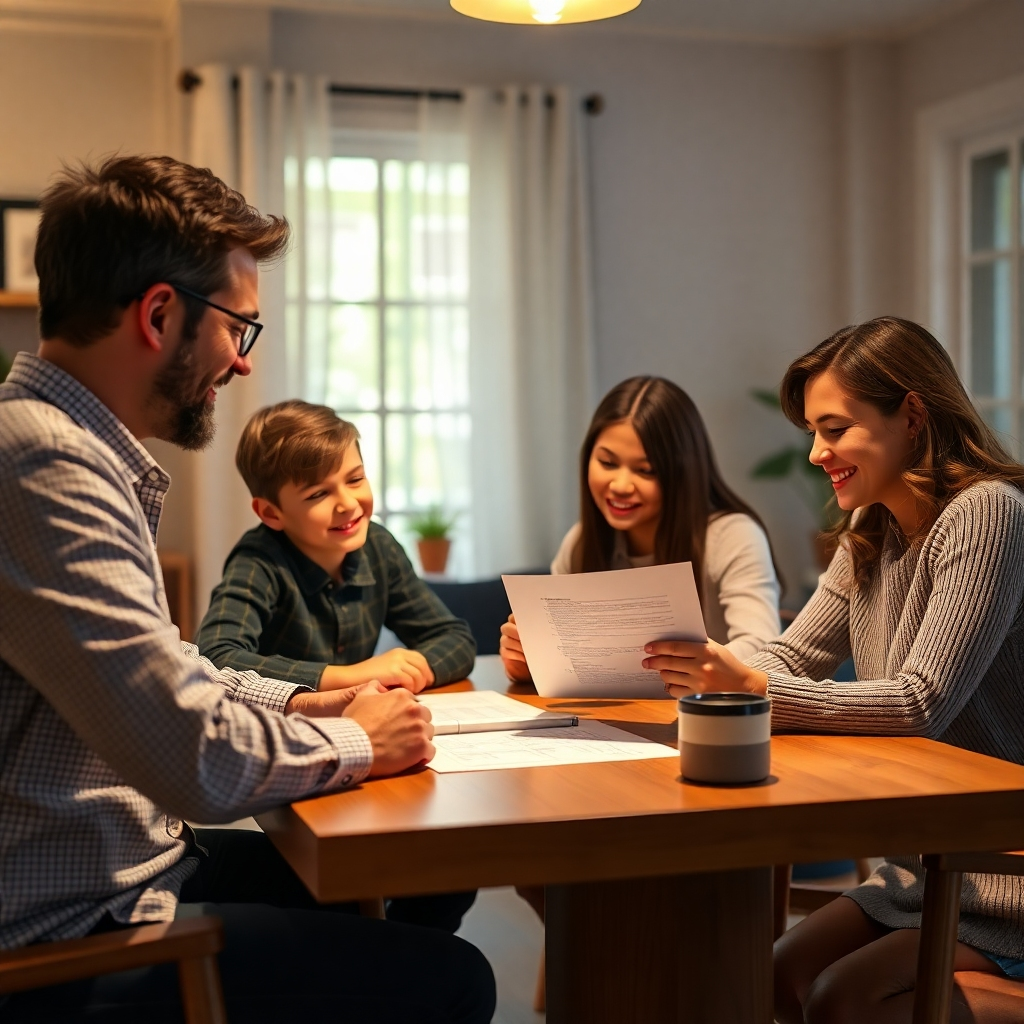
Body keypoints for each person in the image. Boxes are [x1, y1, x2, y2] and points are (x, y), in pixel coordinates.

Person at [0, 155, 495, 1023]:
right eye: (238, 328)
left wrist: (316, 707)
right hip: (67, 937)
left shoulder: (64, 452)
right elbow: (189, 756)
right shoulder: (44, 465)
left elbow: (177, 674)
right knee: (453, 978)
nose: (242, 365)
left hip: (129, 873)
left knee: (401, 879)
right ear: (159, 315)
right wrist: (357, 747)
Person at [642, 317, 1024, 1023]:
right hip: (923, 868)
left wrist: (751, 686)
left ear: (911, 415)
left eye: (835, 428)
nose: (818, 452)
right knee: (776, 977)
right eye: (814, 432)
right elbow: (789, 655)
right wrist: (714, 668)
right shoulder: (869, 535)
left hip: (1001, 871)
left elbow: (919, 704)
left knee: (845, 1000)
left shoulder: (986, 514)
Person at [196, 399, 478, 932]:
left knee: (455, 860)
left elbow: (454, 637)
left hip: (381, 752)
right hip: (307, 763)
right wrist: (350, 677)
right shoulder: (259, 561)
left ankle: (409, 961)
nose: (348, 504)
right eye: (319, 494)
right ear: (271, 513)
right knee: (344, 888)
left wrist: (413, 667)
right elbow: (217, 657)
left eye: (355, 478)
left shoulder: (379, 550)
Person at [499, 375, 782, 686]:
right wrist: (529, 662)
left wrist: (699, 669)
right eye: (607, 463)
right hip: (614, 724)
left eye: (645, 470)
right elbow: (560, 659)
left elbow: (763, 649)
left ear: (682, 473)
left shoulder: (732, 536)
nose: (620, 486)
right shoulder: (582, 542)